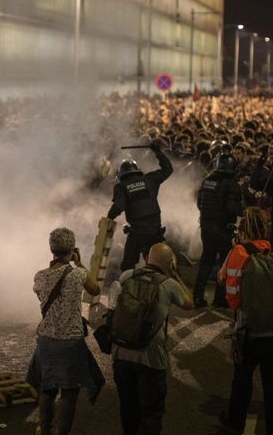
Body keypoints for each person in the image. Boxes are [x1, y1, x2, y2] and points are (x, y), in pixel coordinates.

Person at [218, 207, 273, 435]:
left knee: (242, 383)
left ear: (243, 229)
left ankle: (235, 425)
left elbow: (228, 289)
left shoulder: (239, 252)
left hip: (248, 331)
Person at [111, 242, 194, 435]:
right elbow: (189, 303)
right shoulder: (169, 285)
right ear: (169, 263)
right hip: (150, 358)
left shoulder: (127, 276)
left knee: (128, 407)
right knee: (152, 412)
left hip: (121, 353)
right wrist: (175, 274)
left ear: (148, 259)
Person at [27, 227, 101, 435]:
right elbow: (95, 290)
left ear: (52, 249)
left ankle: (45, 429)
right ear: (72, 250)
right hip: (71, 342)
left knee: (47, 388)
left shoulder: (40, 277)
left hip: (47, 341)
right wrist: (79, 263)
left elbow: (43, 299)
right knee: (69, 393)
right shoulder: (78, 274)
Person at [107, 141, 173, 271]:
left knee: (127, 266)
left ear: (121, 174)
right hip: (155, 231)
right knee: (157, 266)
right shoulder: (149, 179)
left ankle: (130, 289)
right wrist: (158, 152)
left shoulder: (122, 186)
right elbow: (168, 169)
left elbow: (119, 206)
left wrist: (108, 218)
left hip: (137, 233)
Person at [194, 153, 242, 308]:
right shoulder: (232, 184)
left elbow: (199, 203)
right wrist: (246, 210)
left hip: (206, 226)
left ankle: (198, 297)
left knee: (206, 262)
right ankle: (220, 300)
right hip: (223, 229)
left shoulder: (208, 180)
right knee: (224, 264)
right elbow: (232, 207)